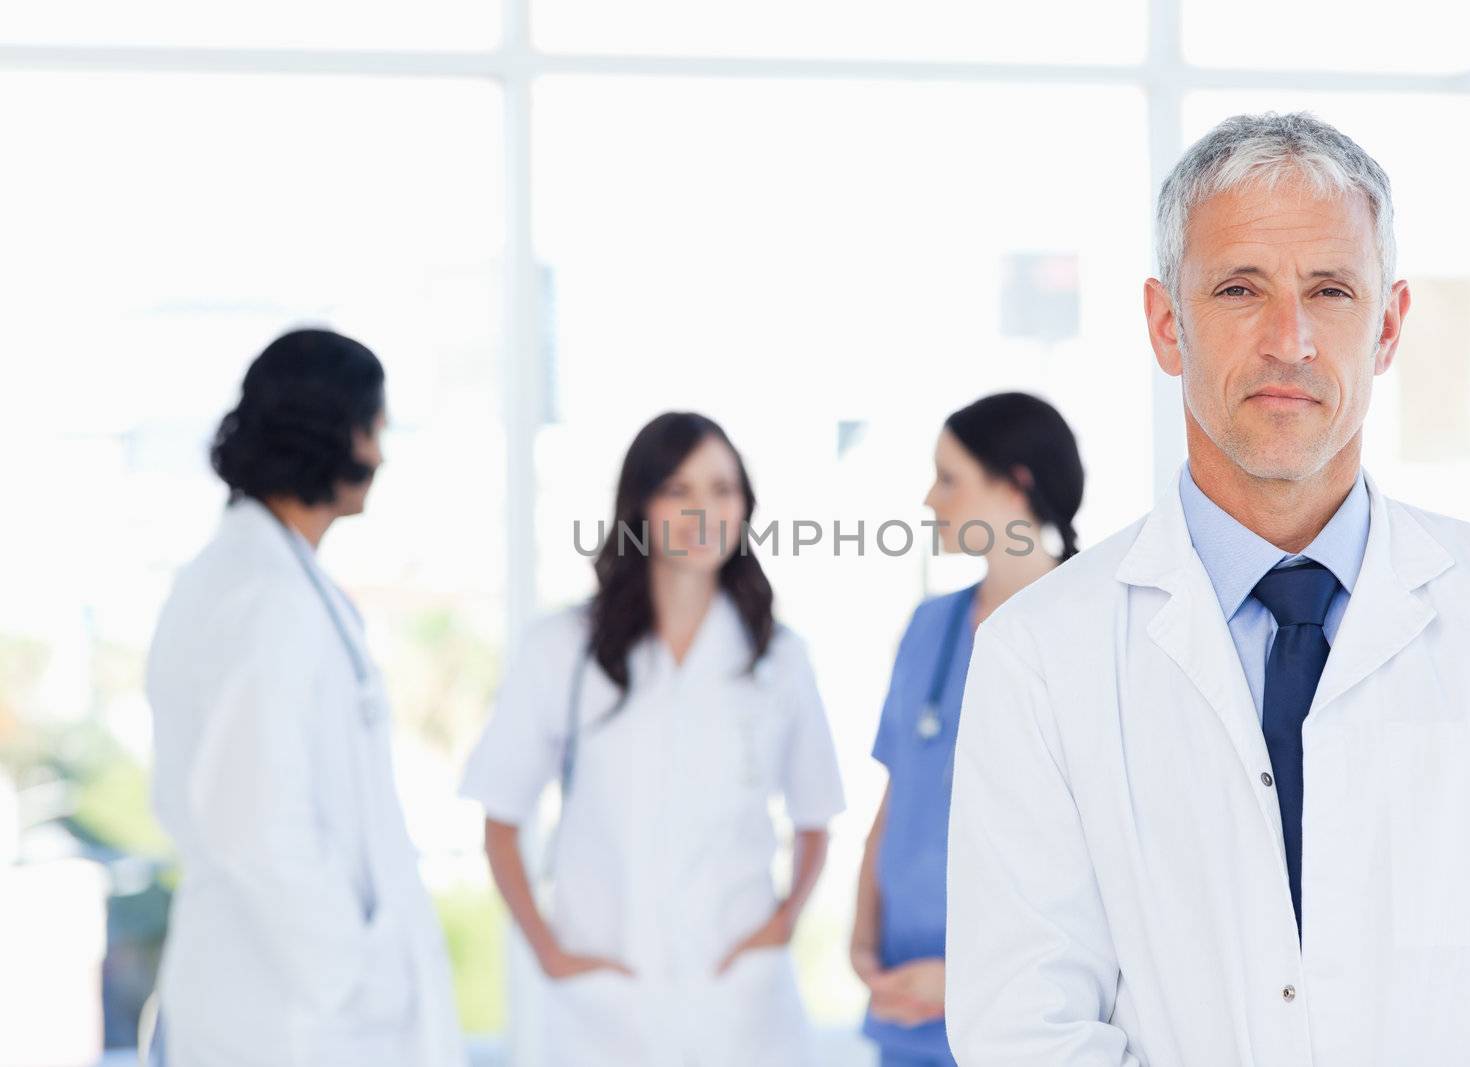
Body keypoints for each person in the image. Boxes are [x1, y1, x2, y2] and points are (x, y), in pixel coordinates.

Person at [946, 112, 1470, 1064]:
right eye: (1239, 287)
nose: (1288, 338)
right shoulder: (1040, 652)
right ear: (1168, 324)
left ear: (1387, 326)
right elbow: (1025, 1026)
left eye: (1331, 289)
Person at [461, 411, 846, 1066]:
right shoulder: (563, 648)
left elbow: (815, 818)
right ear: (640, 503)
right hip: (606, 1011)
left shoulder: (780, 657)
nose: (704, 510)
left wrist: (780, 927)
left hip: (742, 1010)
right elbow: (501, 818)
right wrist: (550, 952)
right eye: (678, 489)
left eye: (722, 489)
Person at [145, 329, 464, 1066]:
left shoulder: (256, 576)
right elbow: (252, 820)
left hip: (278, 999)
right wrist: (352, 972)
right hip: (293, 1015)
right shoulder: (266, 597)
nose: (380, 456)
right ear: (335, 433)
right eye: (374, 429)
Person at [849, 393, 1084, 1067]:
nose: (930, 499)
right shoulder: (932, 626)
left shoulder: (1086, 631)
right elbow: (896, 799)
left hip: (1026, 1023)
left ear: (1016, 485)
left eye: (949, 478)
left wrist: (966, 983)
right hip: (904, 1010)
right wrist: (862, 944)